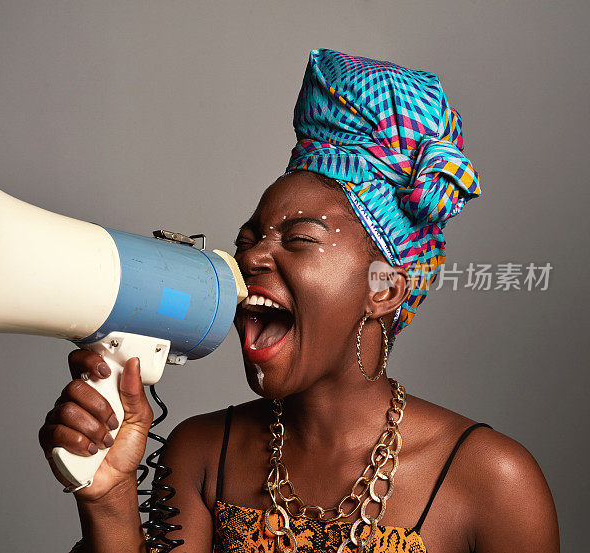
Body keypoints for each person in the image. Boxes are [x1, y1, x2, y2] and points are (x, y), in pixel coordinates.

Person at [38, 49, 559, 553]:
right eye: (248, 239)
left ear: (384, 289)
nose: (253, 257)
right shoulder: (200, 454)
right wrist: (108, 499)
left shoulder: (493, 481)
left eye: (299, 238)